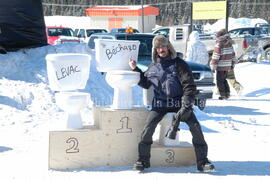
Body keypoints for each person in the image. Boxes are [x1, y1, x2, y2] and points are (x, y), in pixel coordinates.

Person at [129, 35, 215, 172]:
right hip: (160, 105)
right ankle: (142, 160)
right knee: (148, 129)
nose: (161, 49)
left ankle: (203, 162)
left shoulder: (179, 64)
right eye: (158, 47)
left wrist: (186, 104)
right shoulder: (153, 67)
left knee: (196, 128)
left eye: (163, 46)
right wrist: (135, 69)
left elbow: (189, 85)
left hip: (179, 104)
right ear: (155, 50)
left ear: (168, 47)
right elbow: (145, 83)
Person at [210, 29, 237, 100]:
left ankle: (223, 95)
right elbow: (233, 54)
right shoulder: (229, 43)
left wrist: (213, 65)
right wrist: (233, 63)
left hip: (220, 65)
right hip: (227, 65)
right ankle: (227, 93)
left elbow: (216, 56)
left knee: (219, 80)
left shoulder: (219, 44)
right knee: (224, 79)